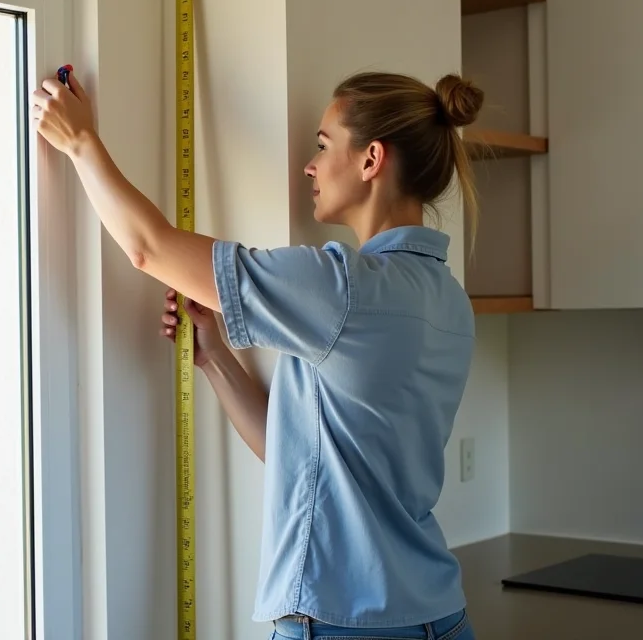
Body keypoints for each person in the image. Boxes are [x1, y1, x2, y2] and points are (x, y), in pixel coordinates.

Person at [31, 69, 481, 640]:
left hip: (343, 624)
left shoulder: (342, 287)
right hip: (438, 618)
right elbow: (298, 452)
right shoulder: (448, 299)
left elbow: (149, 249)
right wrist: (215, 356)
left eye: (323, 145)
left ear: (371, 160)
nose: (309, 166)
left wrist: (80, 142)